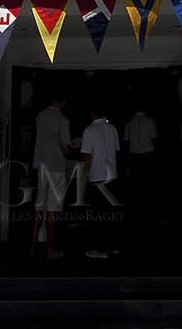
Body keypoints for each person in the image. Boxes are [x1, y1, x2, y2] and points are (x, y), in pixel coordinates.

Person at [29, 93, 73, 258]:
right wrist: (73, 147)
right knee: (53, 210)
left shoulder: (40, 116)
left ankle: (32, 247)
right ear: (62, 101)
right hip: (56, 167)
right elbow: (66, 149)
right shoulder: (63, 120)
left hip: (41, 165)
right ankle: (50, 249)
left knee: (39, 206)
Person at [79, 104, 122, 259]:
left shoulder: (89, 131)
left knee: (98, 215)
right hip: (112, 175)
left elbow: (86, 158)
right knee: (111, 213)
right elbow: (115, 151)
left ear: (91, 113)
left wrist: (83, 182)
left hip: (97, 176)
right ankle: (113, 245)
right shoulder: (112, 129)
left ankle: (101, 249)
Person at [123, 107, 160, 226]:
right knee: (149, 184)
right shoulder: (150, 120)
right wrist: (156, 154)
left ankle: (138, 212)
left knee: (137, 184)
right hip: (148, 155)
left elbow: (126, 143)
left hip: (134, 156)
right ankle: (149, 211)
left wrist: (127, 162)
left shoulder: (129, 122)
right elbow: (154, 139)